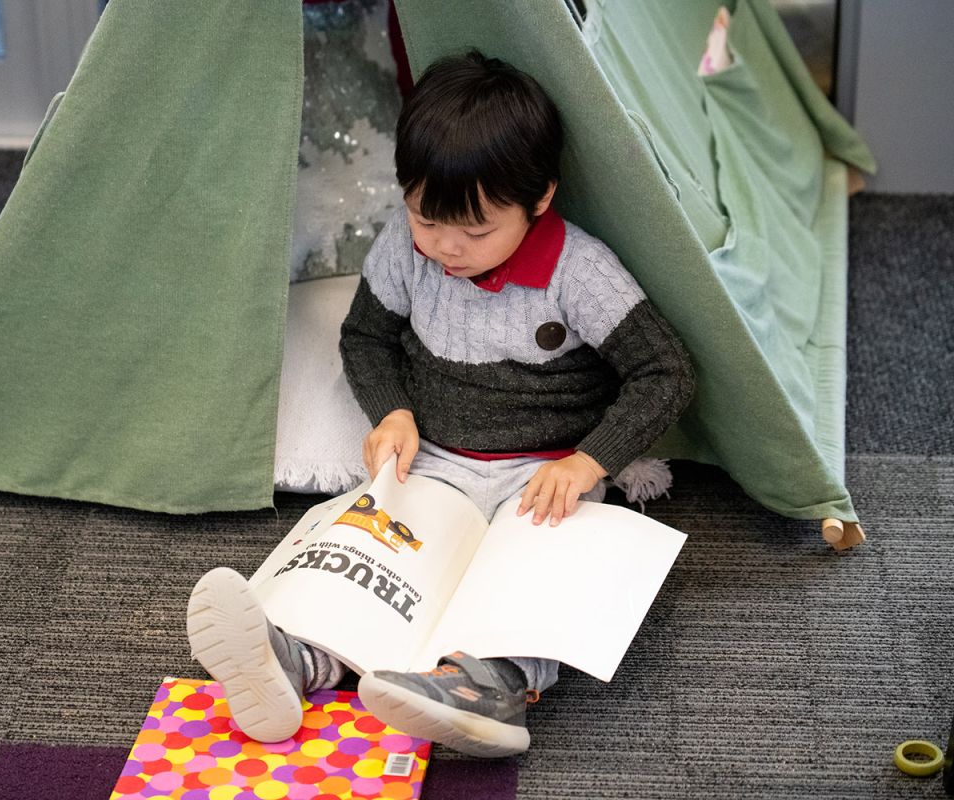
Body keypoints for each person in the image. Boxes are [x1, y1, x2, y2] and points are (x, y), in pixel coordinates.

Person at [187, 50, 694, 757]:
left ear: (540, 200)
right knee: (367, 558)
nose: (446, 247)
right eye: (427, 218)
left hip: (543, 473)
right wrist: (391, 409)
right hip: (434, 464)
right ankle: (297, 658)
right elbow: (365, 335)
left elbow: (665, 372)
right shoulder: (406, 248)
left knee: (538, 579)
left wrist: (589, 462)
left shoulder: (580, 272)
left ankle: (487, 688)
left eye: (476, 230)